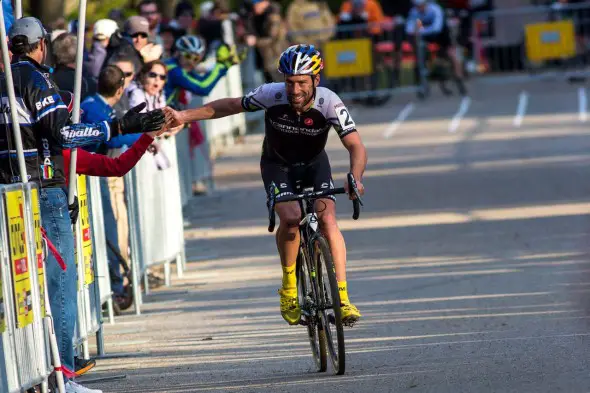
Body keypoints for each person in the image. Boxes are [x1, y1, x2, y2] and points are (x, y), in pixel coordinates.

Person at [1, 17, 166, 393]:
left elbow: (112, 163)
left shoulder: (8, 79)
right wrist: (120, 127)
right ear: (40, 44)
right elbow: (63, 133)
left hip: (12, 194)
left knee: (20, 291)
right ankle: (63, 375)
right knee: (61, 284)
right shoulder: (37, 82)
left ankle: (34, 374)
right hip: (41, 189)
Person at [164, 44, 367, 326]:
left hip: (313, 164)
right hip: (277, 164)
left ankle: (343, 299)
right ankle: (288, 287)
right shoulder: (271, 94)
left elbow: (355, 145)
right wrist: (184, 116)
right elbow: (230, 106)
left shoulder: (330, 102)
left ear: (316, 80)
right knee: (293, 218)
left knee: (328, 219)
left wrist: (355, 177)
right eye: (289, 83)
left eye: (301, 84)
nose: (294, 91)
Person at [405, 0, 466, 95]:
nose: (419, 8)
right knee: (420, 55)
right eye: (417, 6)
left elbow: (437, 28)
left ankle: (459, 79)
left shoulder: (435, 9)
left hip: (441, 34)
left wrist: (419, 31)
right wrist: (417, 31)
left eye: (421, 6)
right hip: (426, 35)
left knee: (452, 54)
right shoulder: (414, 12)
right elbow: (409, 28)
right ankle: (422, 82)